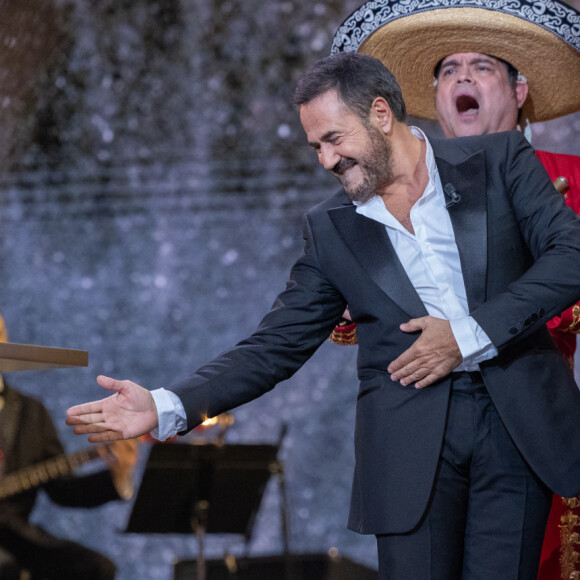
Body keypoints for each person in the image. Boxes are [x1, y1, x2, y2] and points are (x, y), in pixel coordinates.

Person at [66, 52, 580, 579]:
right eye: (315, 147)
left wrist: (466, 336)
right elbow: (275, 344)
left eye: (334, 139)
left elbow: (571, 256)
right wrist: (165, 405)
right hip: (409, 449)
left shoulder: (498, 159)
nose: (325, 161)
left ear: (381, 113)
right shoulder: (331, 228)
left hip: (515, 426)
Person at [330, 1, 580, 577]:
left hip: (538, 420)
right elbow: (345, 320)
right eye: (448, 70)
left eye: (482, 67)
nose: (462, 77)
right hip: (428, 429)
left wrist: (482, 320)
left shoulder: (567, 173)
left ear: (519, 92)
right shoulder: (391, 189)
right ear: (435, 99)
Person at [0, 313, 138, 580]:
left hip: (16, 536)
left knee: (97, 569)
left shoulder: (31, 412)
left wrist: (117, 474)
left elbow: (62, 490)